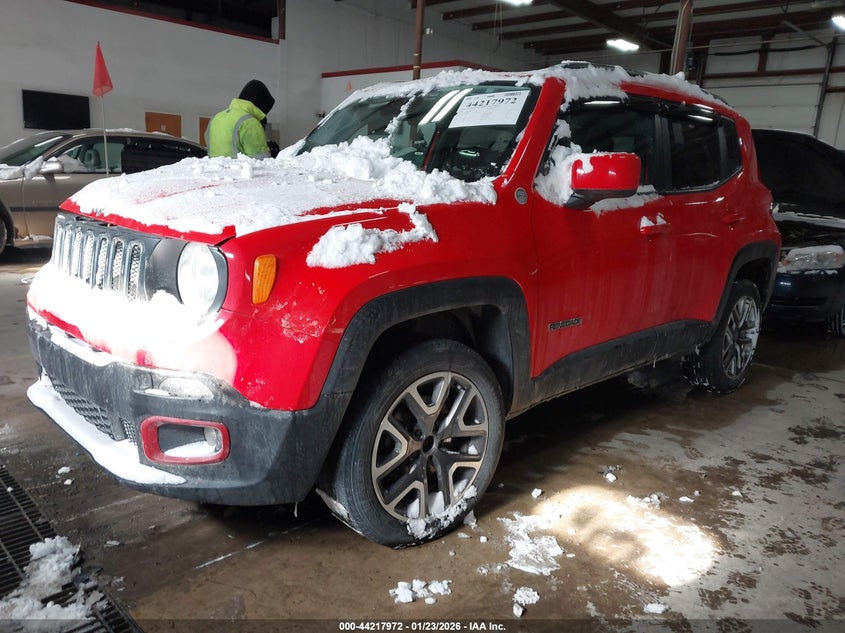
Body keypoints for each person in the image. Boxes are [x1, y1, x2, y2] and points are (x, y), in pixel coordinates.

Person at [207, 79, 275, 159]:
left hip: (215, 167)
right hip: (240, 168)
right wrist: (272, 154)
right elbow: (261, 160)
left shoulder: (216, 119)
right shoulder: (251, 123)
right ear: (260, 105)